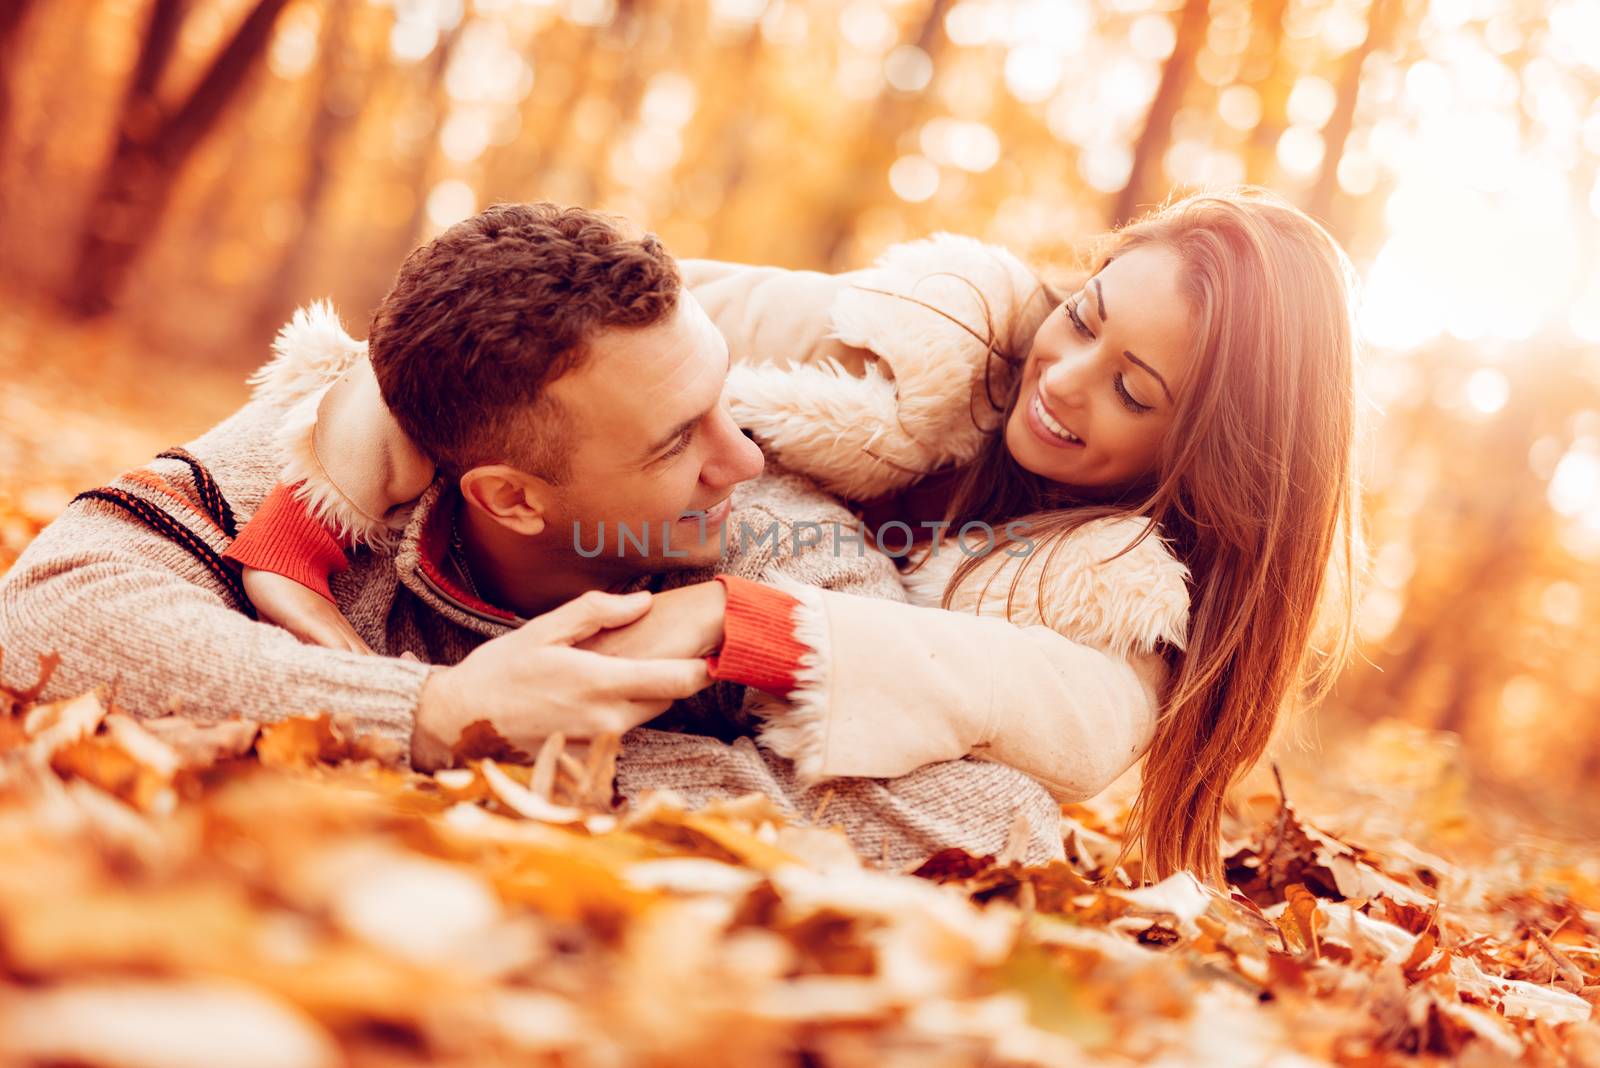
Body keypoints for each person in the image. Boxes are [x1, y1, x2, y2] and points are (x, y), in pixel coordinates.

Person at [230, 188, 1364, 886]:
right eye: (1085, 313)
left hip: (738, 725)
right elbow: (511, 327)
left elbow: (1071, 723)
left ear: (1207, 454)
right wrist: (304, 520)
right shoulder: (913, 339)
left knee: (995, 817)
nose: (1061, 379)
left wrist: (745, 621)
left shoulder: (1121, 593)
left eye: (1135, 388)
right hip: (538, 600)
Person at [0, 203, 1074, 869]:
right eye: (673, 443)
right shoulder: (327, 457)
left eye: (721, 401)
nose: (741, 457)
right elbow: (50, 608)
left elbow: (997, 813)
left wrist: (544, 758)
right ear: (509, 495)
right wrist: (436, 711)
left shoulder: (782, 530)